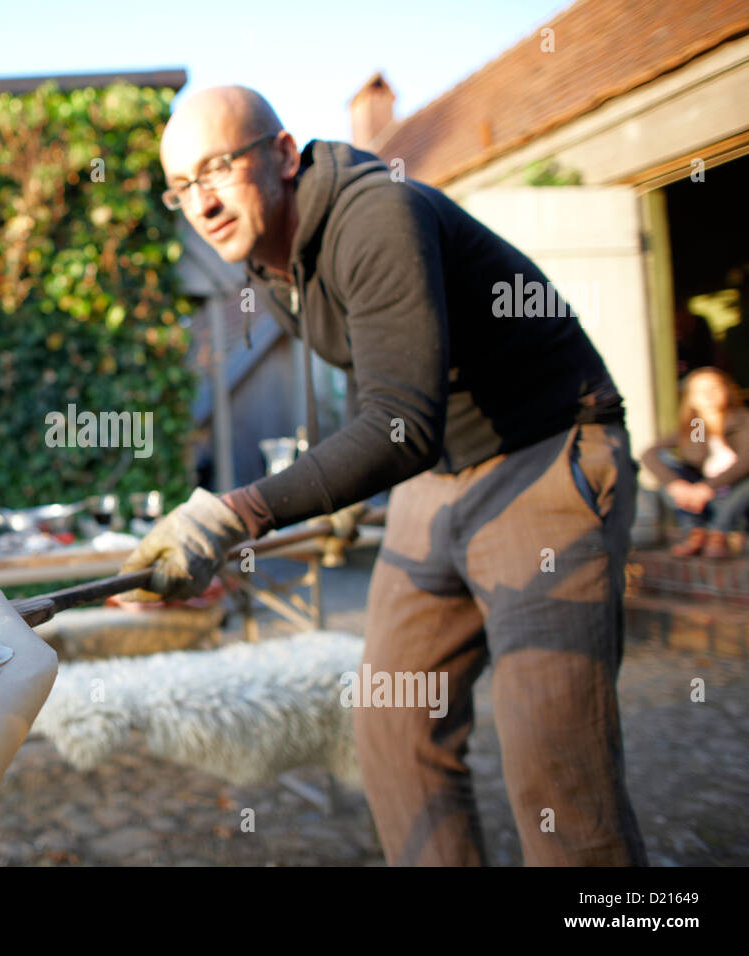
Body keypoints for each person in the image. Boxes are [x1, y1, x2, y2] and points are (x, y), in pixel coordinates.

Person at [122, 86, 647, 865]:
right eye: (180, 186)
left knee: (552, 758)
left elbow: (401, 421)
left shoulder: (376, 213)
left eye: (216, 169)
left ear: (282, 154)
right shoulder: (270, 261)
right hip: (435, 481)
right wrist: (331, 490)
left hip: (545, 453)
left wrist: (234, 514)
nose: (199, 202)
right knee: (392, 728)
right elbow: (386, 397)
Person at [641, 366, 749, 558]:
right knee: (668, 467)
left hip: (735, 499)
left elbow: (745, 461)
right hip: (704, 501)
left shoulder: (741, 421)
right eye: (700, 391)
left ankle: (719, 534)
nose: (708, 395)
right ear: (691, 397)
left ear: (727, 390)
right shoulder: (696, 427)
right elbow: (651, 454)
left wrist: (707, 487)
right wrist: (678, 485)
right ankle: (695, 533)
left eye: (714, 388)